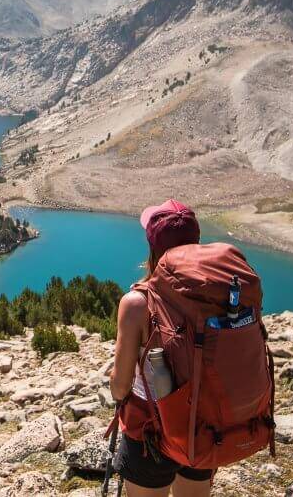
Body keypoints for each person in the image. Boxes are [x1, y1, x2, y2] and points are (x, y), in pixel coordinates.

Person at [108, 200, 213, 497]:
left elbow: (120, 386)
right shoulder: (215, 295)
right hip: (202, 424)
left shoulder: (137, 304)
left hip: (149, 433)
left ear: (153, 248)